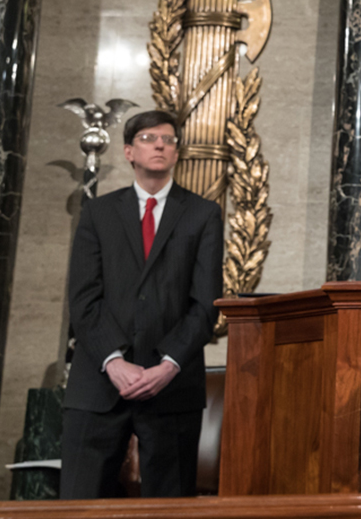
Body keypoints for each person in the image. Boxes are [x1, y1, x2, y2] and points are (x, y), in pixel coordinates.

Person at [62, 109, 223, 499]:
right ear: (129, 151)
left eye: (169, 140)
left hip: (170, 387)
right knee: (79, 504)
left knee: (169, 508)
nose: (161, 146)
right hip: (98, 383)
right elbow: (83, 298)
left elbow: (205, 304)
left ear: (177, 152)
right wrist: (114, 362)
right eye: (150, 139)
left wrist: (167, 366)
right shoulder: (98, 212)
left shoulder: (203, 214)